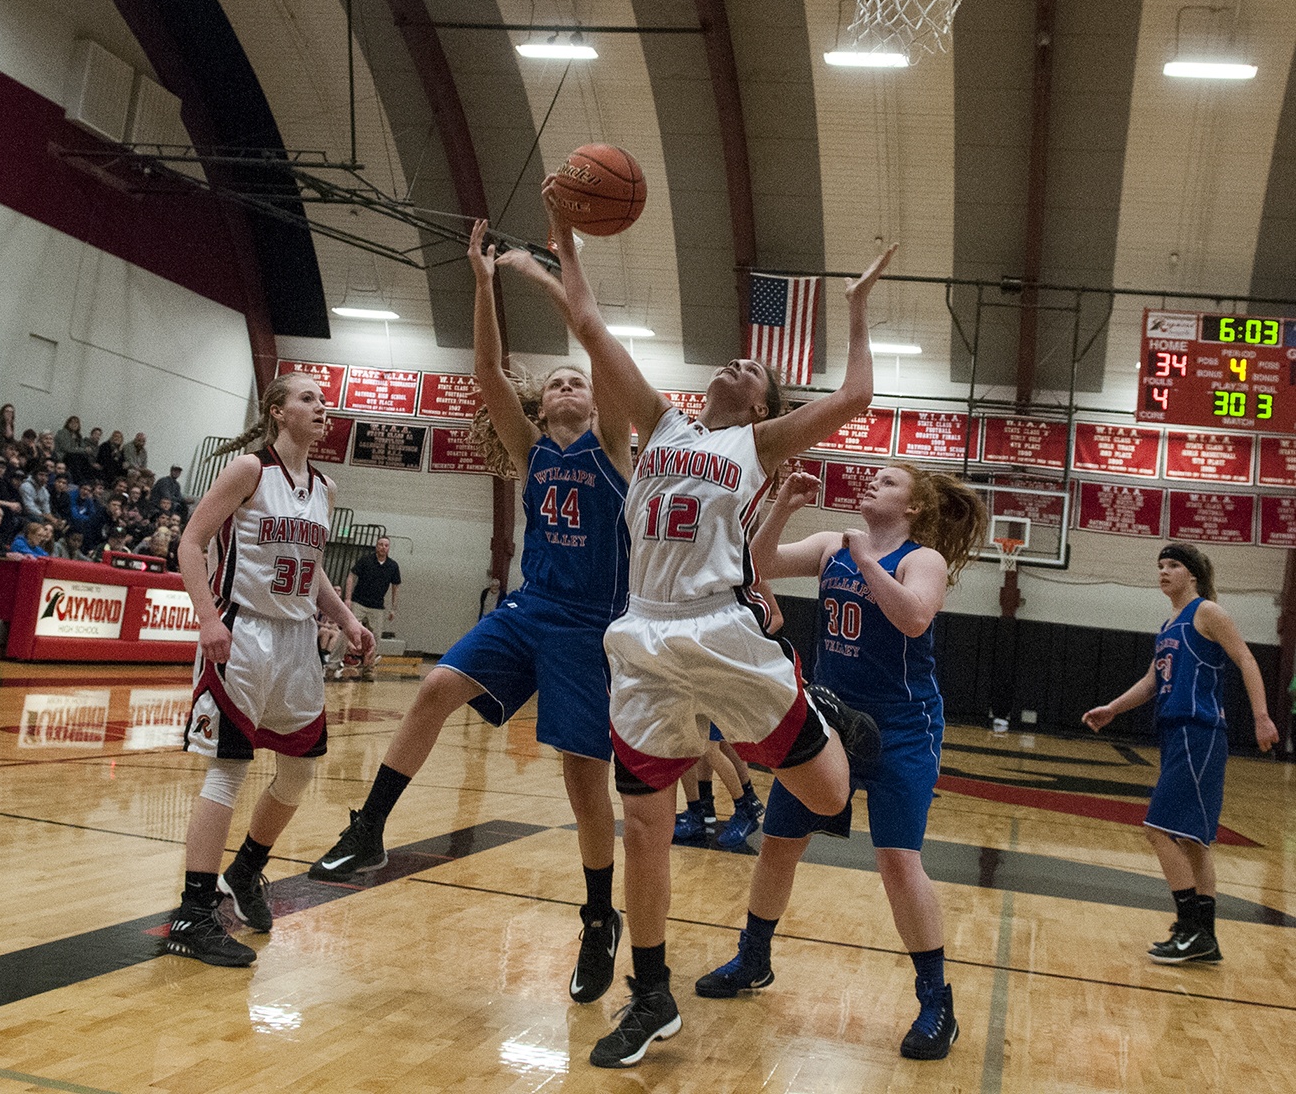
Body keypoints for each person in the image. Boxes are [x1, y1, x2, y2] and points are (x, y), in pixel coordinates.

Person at [541, 175, 897, 1068]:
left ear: (764, 407)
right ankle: (651, 993)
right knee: (645, 822)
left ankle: (830, 722)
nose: (735, 364)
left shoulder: (756, 443)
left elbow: (856, 396)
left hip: (721, 631)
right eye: (731, 360)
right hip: (642, 635)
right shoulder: (659, 424)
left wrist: (855, 309)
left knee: (828, 796)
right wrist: (565, 235)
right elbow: (588, 324)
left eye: (752, 370)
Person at [309, 218, 633, 1007]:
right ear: (541, 403)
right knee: (433, 689)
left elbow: (598, 346)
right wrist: (483, 282)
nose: (568, 386)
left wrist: (557, 278)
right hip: (529, 609)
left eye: (578, 381)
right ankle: (369, 829)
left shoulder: (615, 448)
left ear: (595, 398)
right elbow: (487, 370)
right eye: (556, 381)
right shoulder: (532, 450)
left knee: (582, 778)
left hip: (589, 626)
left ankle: (599, 918)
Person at [696, 463, 986, 1060]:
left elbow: (914, 618)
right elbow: (756, 565)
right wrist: (782, 506)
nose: (873, 483)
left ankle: (937, 1001)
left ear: (912, 507)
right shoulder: (833, 544)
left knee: (897, 860)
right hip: (831, 721)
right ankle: (754, 958)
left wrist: (866, 560)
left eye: (889, 481)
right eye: (873, 478)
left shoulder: (921, 559)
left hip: (903, 727)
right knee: (779, 843)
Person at [165, 372, 375, 967]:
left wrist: (347, 619)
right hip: (244, 632)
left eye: (322, 399)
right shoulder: (249, 470)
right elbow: (190, 543)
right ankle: (193, 914)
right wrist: (208, 618)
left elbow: (313, 568)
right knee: (229, 770)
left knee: (301, 769)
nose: (321, 406)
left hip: (297, 639)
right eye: (308, 398)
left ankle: (246, 870)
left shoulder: (325, 487)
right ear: (278, 411)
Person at [1082, 543, 1277, 964]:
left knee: (1157, 829)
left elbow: (1246, 659)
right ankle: (1205, 938)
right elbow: (1153, 680)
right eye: (1160, 565)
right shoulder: (1168, 624)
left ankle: (1189, 927)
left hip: (1198, 731)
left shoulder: (1207, 612)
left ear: (1192, 574)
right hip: (1176, 733)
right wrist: (1113, 708)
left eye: (1172, 565)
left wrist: (1261, 716)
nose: (1164, 571)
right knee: (1193, 841)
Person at [345, 536, 401, 635]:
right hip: (358, 602)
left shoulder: (393, 566)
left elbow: (395, 588)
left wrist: (393, 609)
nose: (383, 547)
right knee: (348, 631)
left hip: (377, 606)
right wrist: (348, 599)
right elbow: (351, 577)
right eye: (381, 544)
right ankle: (338, 646)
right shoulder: (366, 560)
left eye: (386, 545)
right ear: (376, 546)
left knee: (376, 636)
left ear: (389, 548)